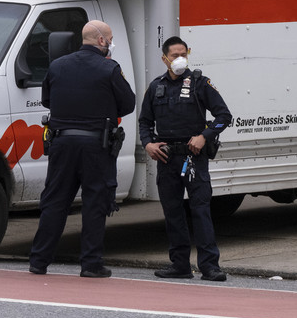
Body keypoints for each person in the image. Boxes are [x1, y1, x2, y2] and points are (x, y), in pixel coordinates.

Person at [29, 20, 136, 278]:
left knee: (55, 202)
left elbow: (47, 100)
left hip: (62, 144)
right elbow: (128, 103)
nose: (111, 43)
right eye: (110, 38)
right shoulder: (109, 68)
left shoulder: (57, 66)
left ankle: (39, 261)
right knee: (95, 204)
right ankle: (90, 264)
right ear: (101, 40)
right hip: (95, 146)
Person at [139, 36, 232, 282]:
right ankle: (180, 265)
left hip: (194, 158)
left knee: (200, 211)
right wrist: (148, 143)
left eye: (183, 54)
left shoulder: (201, 83)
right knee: (172, 213)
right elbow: (145, 122)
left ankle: (210, 266)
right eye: (174, 55)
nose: (179, 59)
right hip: (167, 158)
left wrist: (204, 136)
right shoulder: (156, 86)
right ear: (164, 59)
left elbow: (224, 116)